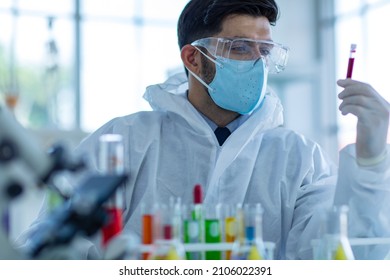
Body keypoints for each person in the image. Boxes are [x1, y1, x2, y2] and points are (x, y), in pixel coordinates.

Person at [19, 0, 390, 260]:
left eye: (266, 51)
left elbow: (342, 254)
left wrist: (371, 159)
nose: (258, 64)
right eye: (241, 47)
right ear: (193, 58)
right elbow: (53, 252)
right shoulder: (124, 143)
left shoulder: (298, 158)